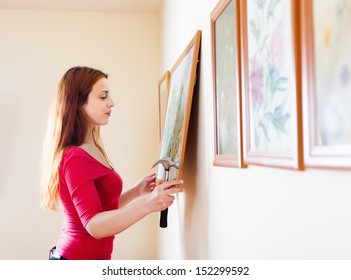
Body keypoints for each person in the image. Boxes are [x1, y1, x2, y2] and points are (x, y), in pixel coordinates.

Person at [40, 66, 183, 260]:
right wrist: (149, 204)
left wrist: (136, 191)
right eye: (103, 96)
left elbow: (101, 207)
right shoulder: (75, 157)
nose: (111, 103)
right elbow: (95, 225)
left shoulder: (90, 146)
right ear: (78, 102)